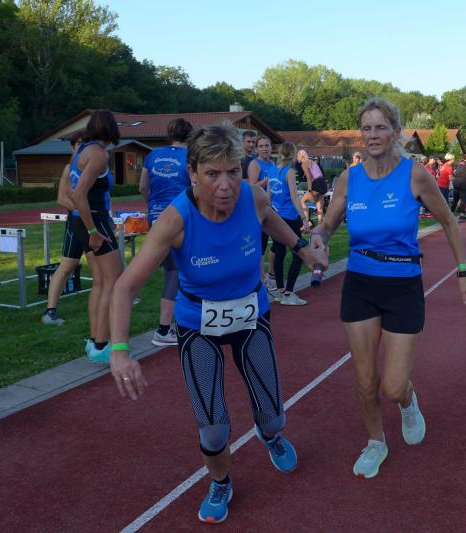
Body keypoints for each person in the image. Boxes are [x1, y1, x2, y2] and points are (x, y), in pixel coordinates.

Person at [107, 123, 328, 524]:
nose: (225, 185)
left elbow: (270, 219)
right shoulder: (175, 219)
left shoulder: (252, 196)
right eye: (212, 174)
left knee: (273, 416)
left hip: (250, 316)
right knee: (213, 429)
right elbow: (124, 287)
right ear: (192, 173)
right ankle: (221, 481)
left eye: (232, 171)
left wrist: (302, 249)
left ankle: (270, 435)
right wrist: (120, 350)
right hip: (198, 325)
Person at [310, 97, 466, 479]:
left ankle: (407, 401)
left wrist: (463, 271)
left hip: (402, 285)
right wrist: (318, 238)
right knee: (364, 378)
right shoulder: (348, 179)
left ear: (395, 132)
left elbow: (449, 221)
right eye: (366, 128)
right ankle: (376, 442)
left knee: (392, 385)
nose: (372, 134)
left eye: (380, 127)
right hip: (360, 283)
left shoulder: (414, 175)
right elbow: (328, 224)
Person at [67, 110, 122, 363]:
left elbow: (72, 191)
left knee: (100, 281)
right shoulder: (99, 155)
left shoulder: (81, 150)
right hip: (94, 221)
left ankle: (94, 340)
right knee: (113, 281)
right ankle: (101, 344)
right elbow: (78, 194)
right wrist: (93, 231)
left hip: (80, 220)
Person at [139, 118, 193, 346]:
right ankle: (164, 329)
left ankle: (176, 322)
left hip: (156, 216)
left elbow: (143, 187)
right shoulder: (190, 157)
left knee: (171, 270)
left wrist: (153, 206)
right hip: (180, 217)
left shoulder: (152, 155)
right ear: (189, 136)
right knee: (177, 272)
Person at [42, 132, 92, 327]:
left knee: (103, 266)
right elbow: (61, 199)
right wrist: (82, 211)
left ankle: (117, 300)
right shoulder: (69, 168)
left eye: (85, 144)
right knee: (66, 267)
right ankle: (50, 311)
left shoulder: (94, 165)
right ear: (73, 147)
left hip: (92, 222)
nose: (82, 147)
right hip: (77, 223)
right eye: (79, 144)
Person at [270, 142, 310, 305]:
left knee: (279, 253)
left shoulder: (272, 170)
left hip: (276, 217)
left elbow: (268, 196)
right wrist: (304, 217)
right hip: (290, 218)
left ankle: (280, 291)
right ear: (293, 155)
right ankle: (288, 292)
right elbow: (294, 197)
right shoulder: (290, 172)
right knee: (299, 254)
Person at [247, 136, 276, 289]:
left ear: (271, 147)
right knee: (260, 243)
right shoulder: (255, 164)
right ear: (257, 149)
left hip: (271, 207)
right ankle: (261, 277)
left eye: (267, 145)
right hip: (257, 208)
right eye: (261, 146)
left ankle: (270, 274)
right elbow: (251, 187)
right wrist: (266, 181)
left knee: (277, 241)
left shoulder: (272, 164)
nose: (264, 148)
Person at [299, 149, 328, 226]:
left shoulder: (304, 163)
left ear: (301, 156)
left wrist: (309, 190)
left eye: (298, 156)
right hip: (323, 183)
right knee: (319, 207)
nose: (297, 157)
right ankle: (320, 226)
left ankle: (307, 223)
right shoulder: (312, 162)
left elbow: (309, 178)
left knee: (302, 201)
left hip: (317, 183)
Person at [451, 153, 466, 219]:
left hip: (456, 182)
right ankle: (462, 214)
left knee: (455, 199)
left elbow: (454, 172)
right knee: (463, 199)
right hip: (463, 183)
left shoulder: (460, 164)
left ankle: (451, 212)